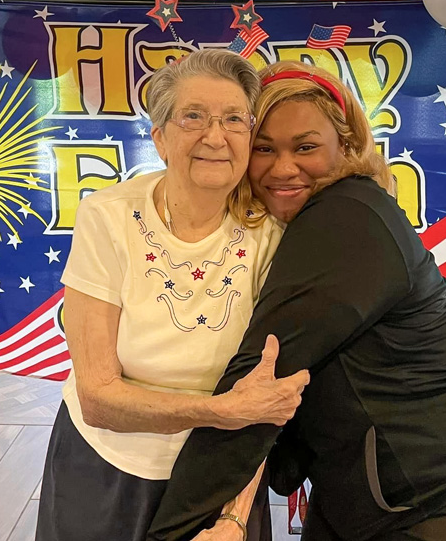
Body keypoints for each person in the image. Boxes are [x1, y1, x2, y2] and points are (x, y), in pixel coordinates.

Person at [146, 60, 446, 541]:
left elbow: (259, 378)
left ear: (344, 146)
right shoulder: (298, 225)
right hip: (378, 492)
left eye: (305, 147)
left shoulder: (345, 217)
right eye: (264, 149)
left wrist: (173, 532)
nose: (283, 168)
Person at [35, 50, 309, 541]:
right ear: (160, 138)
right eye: (193, 116)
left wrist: (235, 517)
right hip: (104, 465)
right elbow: (98, 398)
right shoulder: (108, 216)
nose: (215, 136)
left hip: (218, 476)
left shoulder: (273, 235)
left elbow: (269, 397)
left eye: (233, 119)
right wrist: (218, 412)